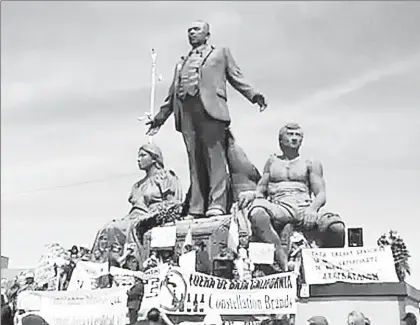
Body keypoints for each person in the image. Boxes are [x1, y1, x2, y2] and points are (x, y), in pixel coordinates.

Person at [146, 20, 267, 218]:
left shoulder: (220, 53)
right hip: (186, 113)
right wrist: (159, 119)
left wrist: (253, 95)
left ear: (207, 34)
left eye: (196, 29)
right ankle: (196, 207)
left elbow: (236, 76)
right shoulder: (181, 63)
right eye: (189, 30)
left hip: (211, 110)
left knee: (215, 159)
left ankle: (217, 204)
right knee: (194, 160)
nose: (191, 33)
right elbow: (172, 95)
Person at [238, 123, 345, 271]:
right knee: (257, 213)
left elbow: (321, 194)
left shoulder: (311, 162)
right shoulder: (272, 162)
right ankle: (282, 260)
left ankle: (332, 268)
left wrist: (313, 209)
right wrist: (251, 194)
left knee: (336, 226)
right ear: (280, 140)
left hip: (304, 205)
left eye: (298, 135)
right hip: (279, 206)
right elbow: (261, 190)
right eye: (290, 135)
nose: (295, 139)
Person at [92, 143, 183, 265]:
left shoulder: (165, 176)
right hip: (135, 216)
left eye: (142, 155)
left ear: (154, 158)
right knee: (107, 228)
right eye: (138, 156)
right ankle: (103, 264)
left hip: (155, 217)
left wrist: (153, 214)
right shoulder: (138, 185)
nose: (138, 159)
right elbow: (136, 208)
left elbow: (173, 203)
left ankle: (134, 262)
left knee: (128, 227)